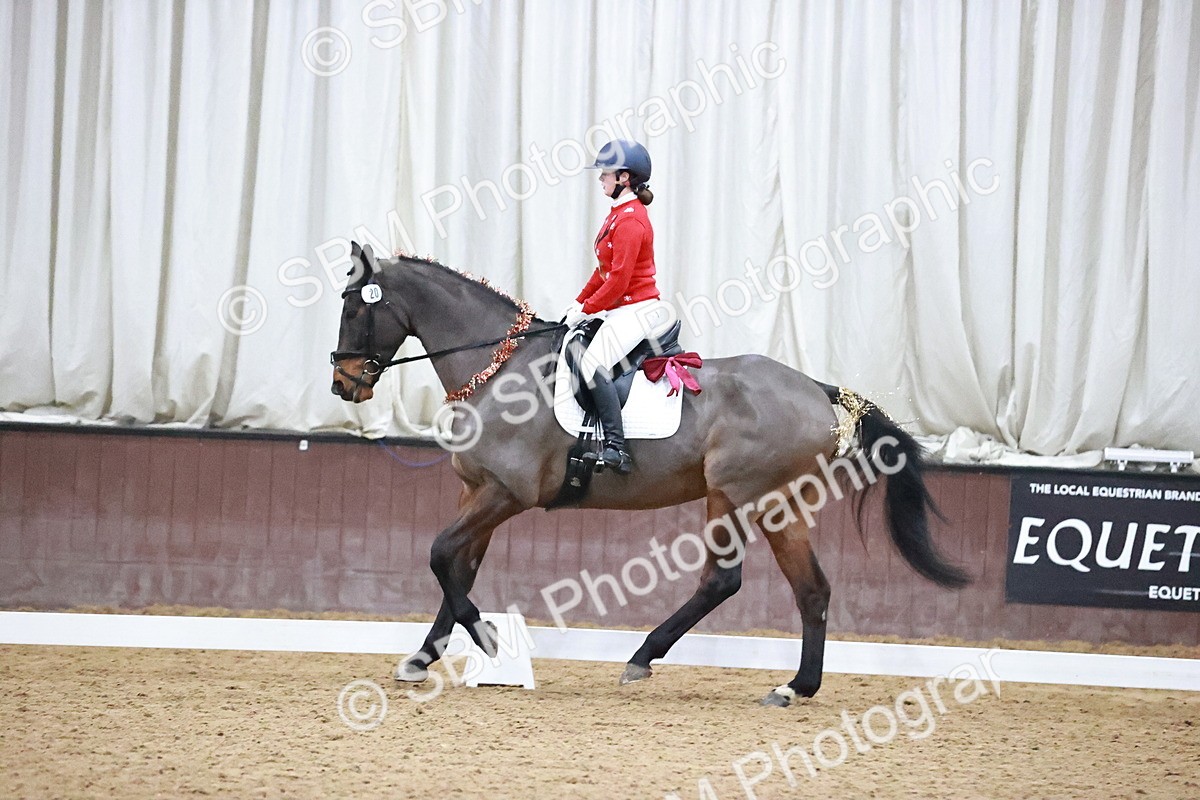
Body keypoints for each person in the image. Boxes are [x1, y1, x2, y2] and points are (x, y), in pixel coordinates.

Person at [563, 139, 675, 475]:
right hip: (623, 307)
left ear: (624, 178)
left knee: (593, 362)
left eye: (605, 175)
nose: (601, 180)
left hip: (638, 308)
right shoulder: (618, 215)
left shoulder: (630, 221)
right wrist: (580, 301)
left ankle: (616, 447)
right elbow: (602, 272)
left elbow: (619, 283)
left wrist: (589, 308)